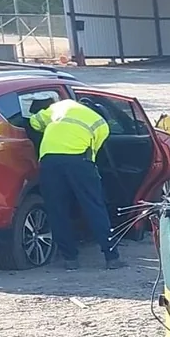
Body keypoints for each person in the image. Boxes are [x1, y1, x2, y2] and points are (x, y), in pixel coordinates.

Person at [26, 96, 118, 269]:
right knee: (94, 207)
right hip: (80, 162)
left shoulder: (63, 105)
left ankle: (70, 259)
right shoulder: (102, 125)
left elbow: (34, 122)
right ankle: (111, 257)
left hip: (50, 162)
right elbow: (93, 153)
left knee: (57, 210)